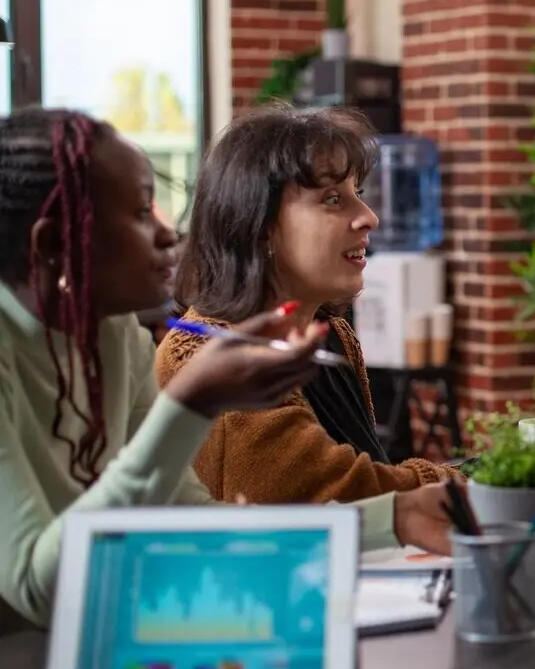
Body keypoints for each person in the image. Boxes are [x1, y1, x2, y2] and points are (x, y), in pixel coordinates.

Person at [0, 108, 451, 635]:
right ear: (54, 245)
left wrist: (392, 518)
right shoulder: (190, 352)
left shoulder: (112, 333)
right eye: (144, 211)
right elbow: (38, 590)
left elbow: (188, 519)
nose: (169, 231)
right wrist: (189, 404)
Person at [155, 106, 455, 505]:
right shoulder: (207, 354)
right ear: (260, 226)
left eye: (358, 194)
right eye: (333, 199)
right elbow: (334, 496)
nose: (368, 217)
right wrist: (468, 479)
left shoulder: (331, 334)